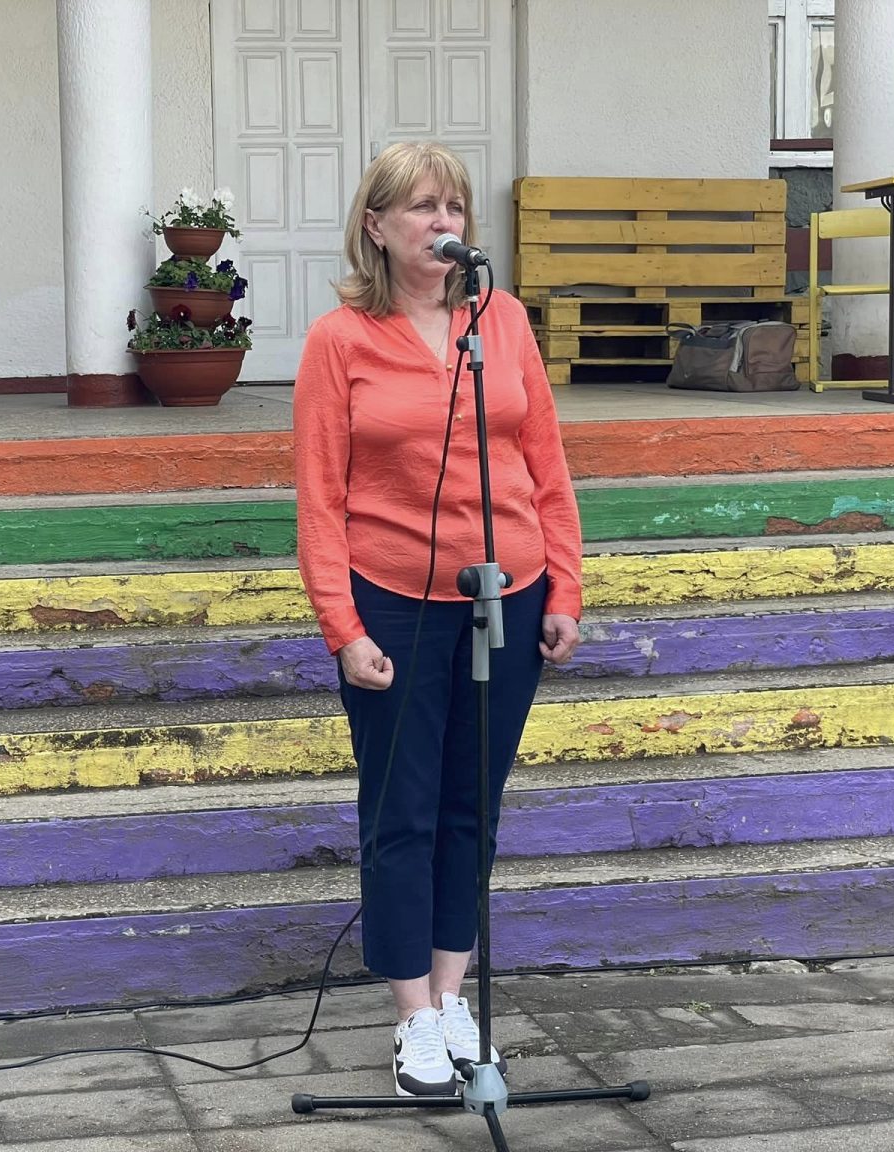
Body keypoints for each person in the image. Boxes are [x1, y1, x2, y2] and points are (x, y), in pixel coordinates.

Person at [293, 142, 583, 1097]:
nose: (443, 221)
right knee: (402, 812)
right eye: (422, 206)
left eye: (453, 205)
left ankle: (455, 997)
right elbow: (319, 498)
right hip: (392, 600)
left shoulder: (502, 320)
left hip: (507, 592)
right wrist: (342, 627)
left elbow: (546, 464)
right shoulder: (340, 340)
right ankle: (413, 1014)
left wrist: (565, 590)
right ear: (376, 226)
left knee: (472, 806)